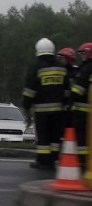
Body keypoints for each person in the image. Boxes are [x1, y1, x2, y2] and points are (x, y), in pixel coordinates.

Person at [22, 38, 70, 170]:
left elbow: (29, 89)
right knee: (55, 136)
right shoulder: (61, 66)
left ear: (38, 50)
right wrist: (66, 105)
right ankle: (53, 159)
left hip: (42, 110)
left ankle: (43, 161)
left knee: (43, 137)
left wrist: (26, 106)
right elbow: (67, 89)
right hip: (59, 110)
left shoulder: (36, 66)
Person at [70, 42, 92, 167]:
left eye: (83, 53)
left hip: (82, 110)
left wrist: (70, 100)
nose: (81, 56)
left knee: (82, 137)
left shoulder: (86, 68)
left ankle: (82, 160)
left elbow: (79, 89)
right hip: (86, 109)